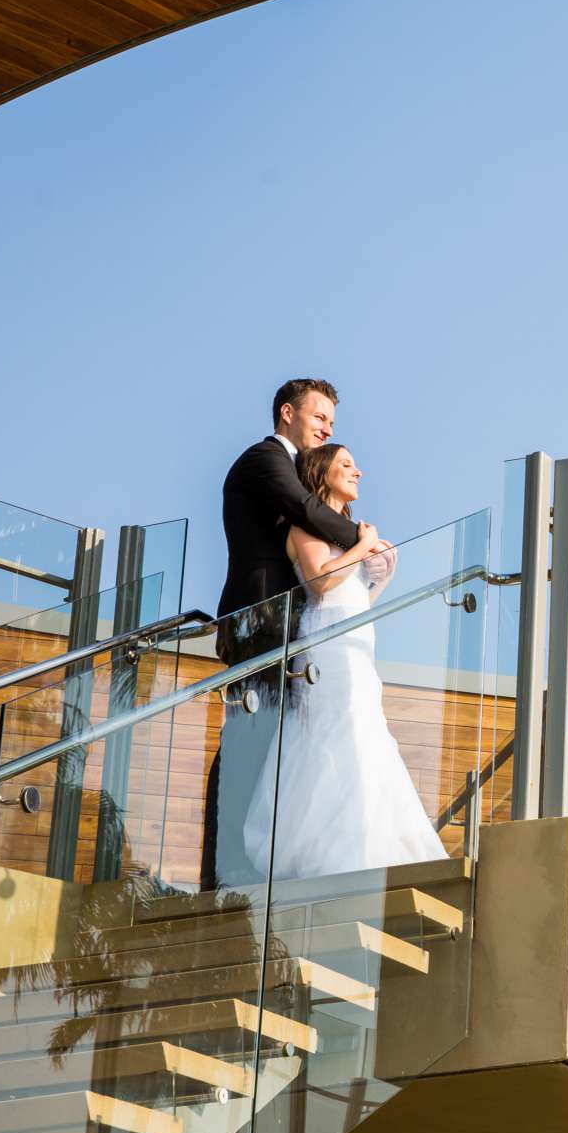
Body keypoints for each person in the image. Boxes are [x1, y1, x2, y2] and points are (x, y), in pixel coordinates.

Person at [235, 443, 447, 880]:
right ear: (322, 471)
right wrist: (364, 545)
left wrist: (381, 579)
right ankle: (331, 852)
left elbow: (355, 598)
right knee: (338, 729)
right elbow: (321, 583)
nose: (358, 472)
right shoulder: (305, 526)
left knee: (365, 729)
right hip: (325, 642)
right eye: (346, 464)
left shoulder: (342, 532)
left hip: (356, 641)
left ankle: (374, 843)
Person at [201, 378, 382, 889]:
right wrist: (363, 539)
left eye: (331, 422)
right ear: (287, 413)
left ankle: (253, 865)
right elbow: (306, 510)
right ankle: (227, 870)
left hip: (285, 623)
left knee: (272, 742)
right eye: (319, 417)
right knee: (247, 737)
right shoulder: (264, 459)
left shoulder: (290, 466)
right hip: (257, 616)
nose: (326, 428)